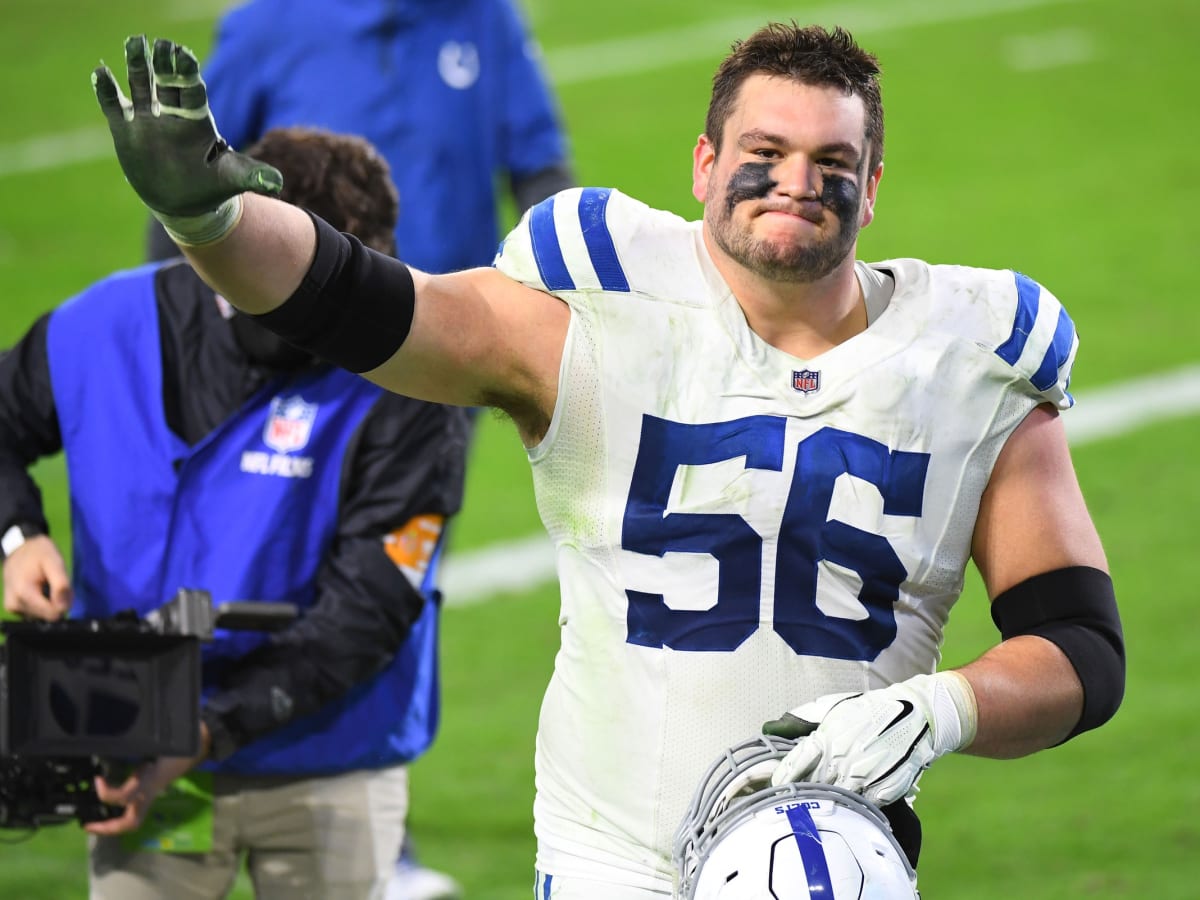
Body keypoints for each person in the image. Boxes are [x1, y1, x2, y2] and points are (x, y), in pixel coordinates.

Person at [91, 23, 1126, 898]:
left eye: (833, 163)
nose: (796, 184)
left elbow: (1081, 649)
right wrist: (212, 219)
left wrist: (942, 709)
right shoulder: (605, 301)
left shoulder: (974, 353)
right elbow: (370, 304)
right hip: (610, 862)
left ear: (873, 183)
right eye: (765, 150)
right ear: (704, 165)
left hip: (838, 859)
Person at [0, 124, 471, 898]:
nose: (352, 313)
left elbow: (368, 611)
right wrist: (20, 536)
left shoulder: (416, 375)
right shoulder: (98, 328)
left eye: (357, 282)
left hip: (329, 757)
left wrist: (204, 729)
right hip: (143, 747)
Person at [144, 0, 576, 272]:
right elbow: (195, 177)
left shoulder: (483, 13)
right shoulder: (266, 26)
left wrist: (575, 277)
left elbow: (538, 165)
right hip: (314, 340)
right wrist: (180, 320)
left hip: (452, 340)